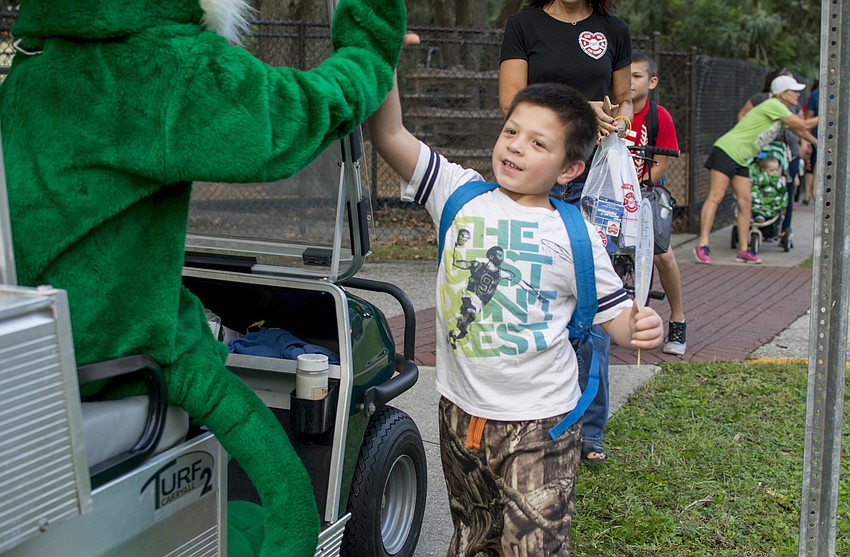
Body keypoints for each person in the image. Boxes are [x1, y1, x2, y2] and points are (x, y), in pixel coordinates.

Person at [0, 0, 405, 555]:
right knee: (283, 486)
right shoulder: (161, 62)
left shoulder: (36, 56)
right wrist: (369, 44)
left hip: (35, 351)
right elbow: (295, 115)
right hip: (115, 360)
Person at [367, 46, 664, 554]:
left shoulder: (576, 234)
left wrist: (638, 327)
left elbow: (613, 318)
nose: (516, 147)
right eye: (511, 132)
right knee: (472, 537)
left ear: (569, 169)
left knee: (533, 548)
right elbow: (390, 135)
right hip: (460, 413)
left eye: (537, 143)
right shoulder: (458, 194)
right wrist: (383, 56)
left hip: (541, 422)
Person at [499, 0, 633, 463]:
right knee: (527, 290)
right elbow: (510, 101)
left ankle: (588, 430)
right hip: (535, 176)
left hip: (594, 184)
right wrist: (578, 111)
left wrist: (617, 117)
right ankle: (522, 416)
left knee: (592, 299)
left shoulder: (613, 30)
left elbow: (625, 102)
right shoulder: (524, 25)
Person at [694, 75, 818, 264]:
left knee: (746, 202)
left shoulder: (780, 109)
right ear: (783, 94)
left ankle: (743, 251)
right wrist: (828, 113)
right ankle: (702, 244)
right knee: (716, 196)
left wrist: (818, 144)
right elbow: (802, 124)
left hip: (743, 158)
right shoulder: (774, 104)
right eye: (794, 91)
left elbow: (799, 131)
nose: (797, 95)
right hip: (727, 150)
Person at [626, 52, 687, 355]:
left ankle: (677, 319)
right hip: (610, 195)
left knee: (662, 254)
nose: (629, 82)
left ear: (651, 82)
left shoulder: (658, 116)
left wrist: (634, 185)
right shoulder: (611, 112)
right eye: (625, 75)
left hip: (646, 192)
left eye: (636, 76)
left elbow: (661, 164)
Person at [738, 68, 802, 244]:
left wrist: (807, 144)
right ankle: (756, 218)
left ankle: (784, 228)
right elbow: (743, 116)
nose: (794, 90)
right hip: (764, 147)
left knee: (786, 188)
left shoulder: (794, 102)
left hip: (787, 150)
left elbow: (800, 125)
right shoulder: (763, 100)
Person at [802, 81, 820, 204]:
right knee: (813, 163)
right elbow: (808, 118)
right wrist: (807, 140)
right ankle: (810, 193)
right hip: (816, 135)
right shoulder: (816, 95)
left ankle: (814, 191)